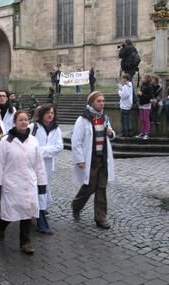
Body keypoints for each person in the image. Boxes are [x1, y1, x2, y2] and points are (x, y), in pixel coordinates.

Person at [0, 110, 47, 254]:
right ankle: (1, 227)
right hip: (11, 182)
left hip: (29, 182)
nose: (24, 122)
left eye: (25, 120)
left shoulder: (34, 141)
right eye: (20, 120)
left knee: (27, 212)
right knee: (9, 213)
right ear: (15, 122)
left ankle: (25, 242)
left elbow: (39, 165)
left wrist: (42, 184)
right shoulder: (6, 141)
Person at [71, 91, 115, 229]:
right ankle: (76, 205)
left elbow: (111, 134)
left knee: (101, 188)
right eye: (99, 101)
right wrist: (80, 159)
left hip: (103, 158)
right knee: (89, 187)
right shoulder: (83, 119)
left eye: (103, 101)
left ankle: (100, 218)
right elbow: (76, 141)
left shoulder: (105, 118)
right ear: (91, 103)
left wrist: (111, 133)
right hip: (90, 159)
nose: (102, 103)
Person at [29, 104, 63, 234]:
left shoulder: (56, 129)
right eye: (48, 112)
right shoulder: (34, 127)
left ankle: (38, 214)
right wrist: (45, 151)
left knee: (43, 189)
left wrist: (40, 150)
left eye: (52, 113)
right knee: (37, 190)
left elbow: (59, 147)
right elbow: (29, 146)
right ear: (42, 114)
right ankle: (41, 222)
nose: (50, 115)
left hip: (47, 166)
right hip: (33, 165)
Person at [136, 75, 153, 140]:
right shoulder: (142, 85)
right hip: (141, 104)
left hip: (146, 104)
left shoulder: (149, 86)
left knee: (146, 119)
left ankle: (147, 133)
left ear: (146, 79)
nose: (142, 79)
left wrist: (142, 94)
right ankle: (142, 132)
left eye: (143, 78)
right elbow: (140, 94)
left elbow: (150, 96)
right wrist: (139, 94)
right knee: (142, 119)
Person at [118, 73, 133, 137]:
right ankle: (130, 132)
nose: (122, 80)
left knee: (124, 121)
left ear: (125, 79)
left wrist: (119, 92)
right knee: (128, 120)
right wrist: (121, 88)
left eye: (122, 78)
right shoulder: (130, 85)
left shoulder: (125, 86)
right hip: (129, 105)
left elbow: (124, 95)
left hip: (124, 106)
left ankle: (125, 133)